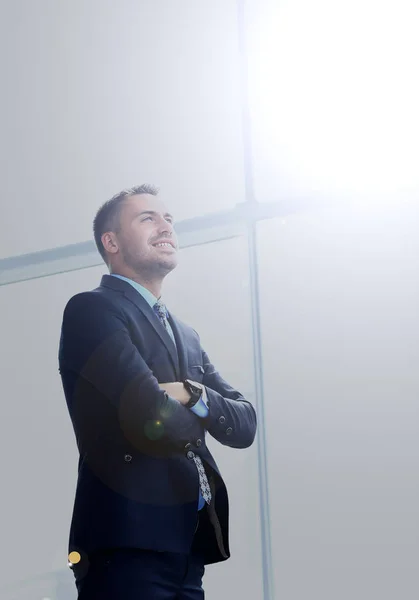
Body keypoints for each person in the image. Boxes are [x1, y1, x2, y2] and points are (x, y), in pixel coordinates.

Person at [58, 183, 257, 599]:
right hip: (124, 547)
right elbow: (151, 415)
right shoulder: (92, 310)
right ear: (110, 242)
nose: (165, 226)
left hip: (188, 548)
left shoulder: (186, 334)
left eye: (168, 218)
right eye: (147, 218)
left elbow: (245, 425)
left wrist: (188, 391)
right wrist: (187, 409)